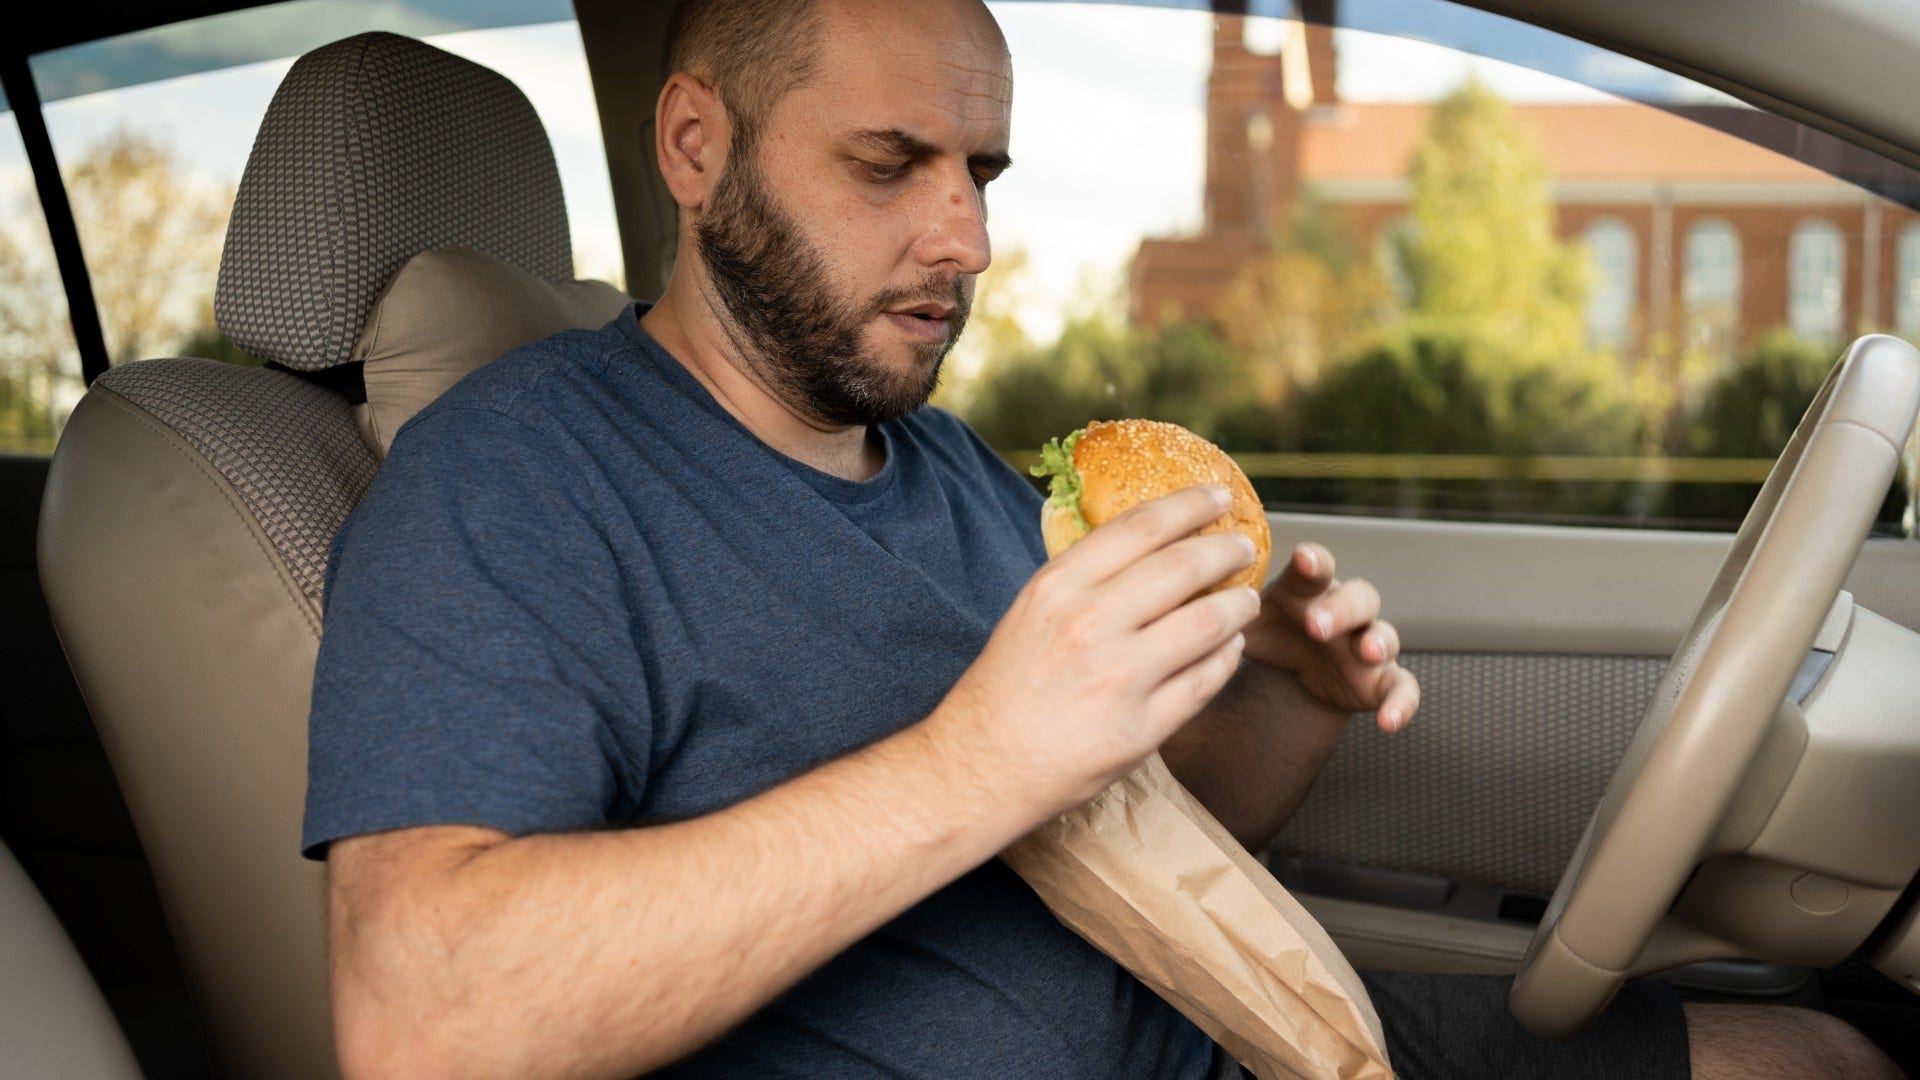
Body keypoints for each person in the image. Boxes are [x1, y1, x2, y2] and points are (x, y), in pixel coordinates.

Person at [302, 1, 1901, 1077]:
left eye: (982, 173)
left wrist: (1277, 700)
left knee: (1810, 1056)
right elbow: (423, 1014)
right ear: (696, 148)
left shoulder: (953, 472)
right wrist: (972, 757)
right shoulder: (514, 478)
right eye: (891, 166)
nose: (969, 240)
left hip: (1233, 1021)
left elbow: (1117, 840)